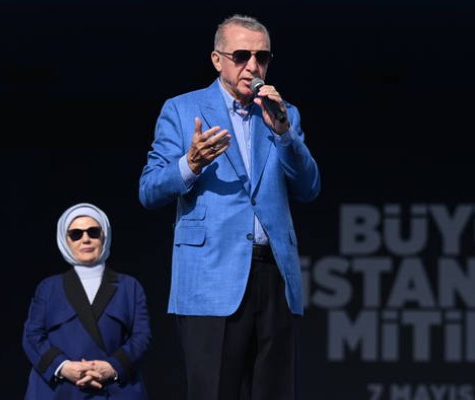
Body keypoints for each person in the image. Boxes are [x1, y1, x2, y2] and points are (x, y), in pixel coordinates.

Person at [138, 13, 320, 400]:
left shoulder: (284, 113)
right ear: (217, 60)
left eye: (262, 57)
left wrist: (285, 135)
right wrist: (190, 164)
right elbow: (149, 190)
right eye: (241, 56)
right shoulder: (182, 109)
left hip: (274, 275)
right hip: (210, 277)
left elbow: (309, 188)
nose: (253, 66)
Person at [22, 202, 152, 400]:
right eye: (76, 234)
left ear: (104, 236)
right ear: (65, 240)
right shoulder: (48, 288)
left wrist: (112, 367)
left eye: (93, 232)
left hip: (115, 390)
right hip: (59, 391)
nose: (86, 239)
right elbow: (32, 336)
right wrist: (63, 367)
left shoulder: (129, 286)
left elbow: (142, 337)